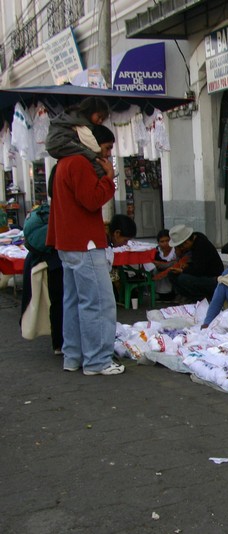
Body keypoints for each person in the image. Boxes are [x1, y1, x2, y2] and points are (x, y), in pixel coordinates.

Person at [45, 124, 124, 376]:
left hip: (69, 242)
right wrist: (108, 179)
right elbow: (91, 201)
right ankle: (97, 361)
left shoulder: (63, 164)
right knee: (98, 303)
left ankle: (74, 356)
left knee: (74, 301)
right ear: (94, 144)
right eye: (107, 147)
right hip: (84, 243)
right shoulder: (78, 163)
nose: (109, 153)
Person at [20, 200, 63, 355]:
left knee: (57, 302)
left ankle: (58, 343)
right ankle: (61, 343)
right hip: (56, 260)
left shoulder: (53, 212)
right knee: (62, 301)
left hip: (50, 260)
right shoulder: (64, 213)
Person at [45, 96, 111, 179]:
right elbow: (89, 141)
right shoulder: (82, 123)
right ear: (90, 111)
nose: (100, 121)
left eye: (103, 119)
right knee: (91, 156)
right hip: (61, 142)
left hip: (55, 143)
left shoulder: (73, 115)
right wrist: (98, 153)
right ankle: (101, 177)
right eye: (99, 117)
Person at [166, 224, 224, 303]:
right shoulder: (194, 241)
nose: (181, 249)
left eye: (181, 246)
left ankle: (203, 299)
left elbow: (198, 270)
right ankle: (188, 297)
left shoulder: (201, 245)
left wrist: (183, 270)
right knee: (171, 274)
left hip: (213, 278)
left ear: (186, 242)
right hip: (201, 274)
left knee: (183, 278)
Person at [152, 229, 176, 300]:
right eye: (162, 241)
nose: (165, 243)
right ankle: (160, 293)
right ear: (158, 243)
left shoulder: (175, 250)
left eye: (167, 240)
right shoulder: (157, 251)